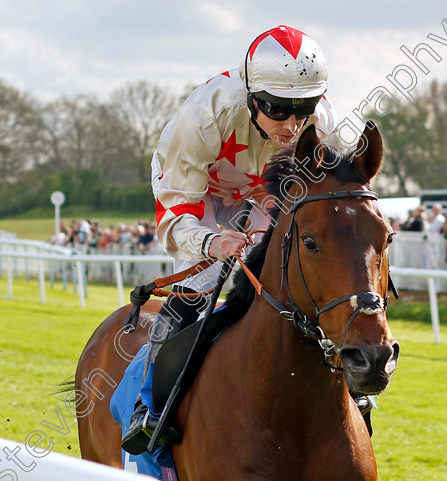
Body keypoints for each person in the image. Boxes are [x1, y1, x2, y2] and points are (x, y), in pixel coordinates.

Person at [121, 25, 343, 454]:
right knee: (199, 289)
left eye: (304, 110)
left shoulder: (321, 123)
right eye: (278, 111)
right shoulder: (203, 115)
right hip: (194, 189)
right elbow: (174, 214)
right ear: (253, 98)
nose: (293, 126)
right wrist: (211, 243)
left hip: (261, 191)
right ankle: (149, 407)